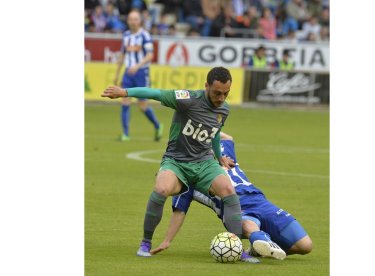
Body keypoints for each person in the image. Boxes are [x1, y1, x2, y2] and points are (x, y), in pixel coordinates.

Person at [101, 67, 246, 261]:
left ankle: (236, 247)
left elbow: (216, 131)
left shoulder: (224, 109)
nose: (221, 98)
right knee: (161, 189)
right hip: (176, 162)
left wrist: (219, 157)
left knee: (228, 190)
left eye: (225, 94)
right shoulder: (187, 99)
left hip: (204, 163)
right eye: (216, 93)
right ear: (206, 86)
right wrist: (125, 92)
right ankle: (146, 242)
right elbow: (156, 93)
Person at [150, 132, 312, 260]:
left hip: (261, 202)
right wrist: (167, 241)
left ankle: (258, 248)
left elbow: (227, 138)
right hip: (235, 211)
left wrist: (203, 128)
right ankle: (261, 240)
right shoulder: (186, 178)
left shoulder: (221, 153)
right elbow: (179, 211)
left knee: (305, 246)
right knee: (249, 225)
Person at [113, 10, 163, 142]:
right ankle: (126, 134)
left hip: (141, 73)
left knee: (142, 106)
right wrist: (117, 74)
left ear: (139, 21)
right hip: (128, 73)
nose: (133, 21)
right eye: (130, 19)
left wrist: (138, 65)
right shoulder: (126, 36)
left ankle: (158, 126)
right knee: (124, 101)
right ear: (128, 21)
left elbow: (150, 55)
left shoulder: (145, 35)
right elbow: (123, 55)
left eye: (135, 19)